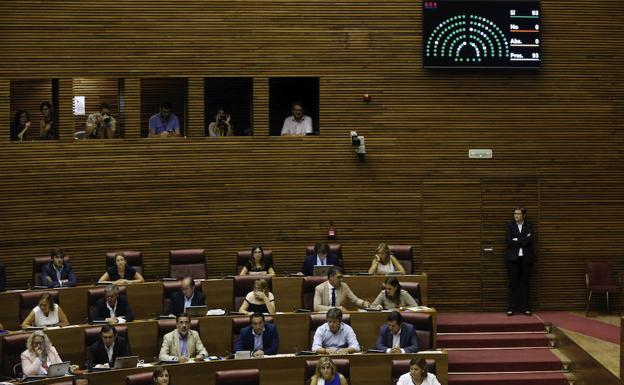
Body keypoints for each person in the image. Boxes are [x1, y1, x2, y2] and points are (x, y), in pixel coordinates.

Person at [505, 206, 535, 316]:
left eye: (518, 214)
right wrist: (523, 239)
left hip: (526, 259)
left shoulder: (529, 225)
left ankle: (525, 308)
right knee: (513, 284)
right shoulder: (509, 225)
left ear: (523, 215)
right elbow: (509, 241)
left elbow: (530, 240)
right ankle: (511, 308)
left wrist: (517, 239)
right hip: (513, 259)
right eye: (515, 214)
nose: (516, 216)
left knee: (525, 283)